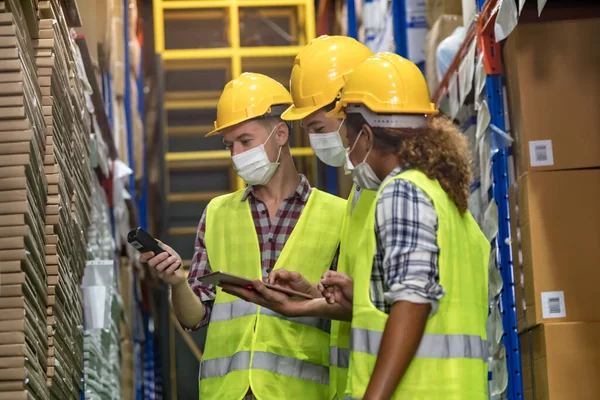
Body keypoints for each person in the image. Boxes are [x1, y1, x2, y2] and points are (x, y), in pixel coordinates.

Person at [223, 53, 490, 399]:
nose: (345, 146)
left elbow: (412, 301)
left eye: (346, 134)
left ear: (365, 134)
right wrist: (346, 298)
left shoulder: (401, 191)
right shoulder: (447, 199)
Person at [140, 72, 346, 400]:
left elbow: (348, 312)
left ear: (280, 133)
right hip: (229, 394)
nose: (236, 153)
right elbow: (195, 317)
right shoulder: (218, 213)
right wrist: (178, 282)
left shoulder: (339, 215)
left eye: (245, 141)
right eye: (229, 145)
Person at [281, 35, 375, 399]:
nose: (314, 141)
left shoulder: (402, 191)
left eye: (317, 128)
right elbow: (369, 299)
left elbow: (409, 304)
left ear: (348, 112)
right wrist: (311, 296)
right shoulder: (359, 191)